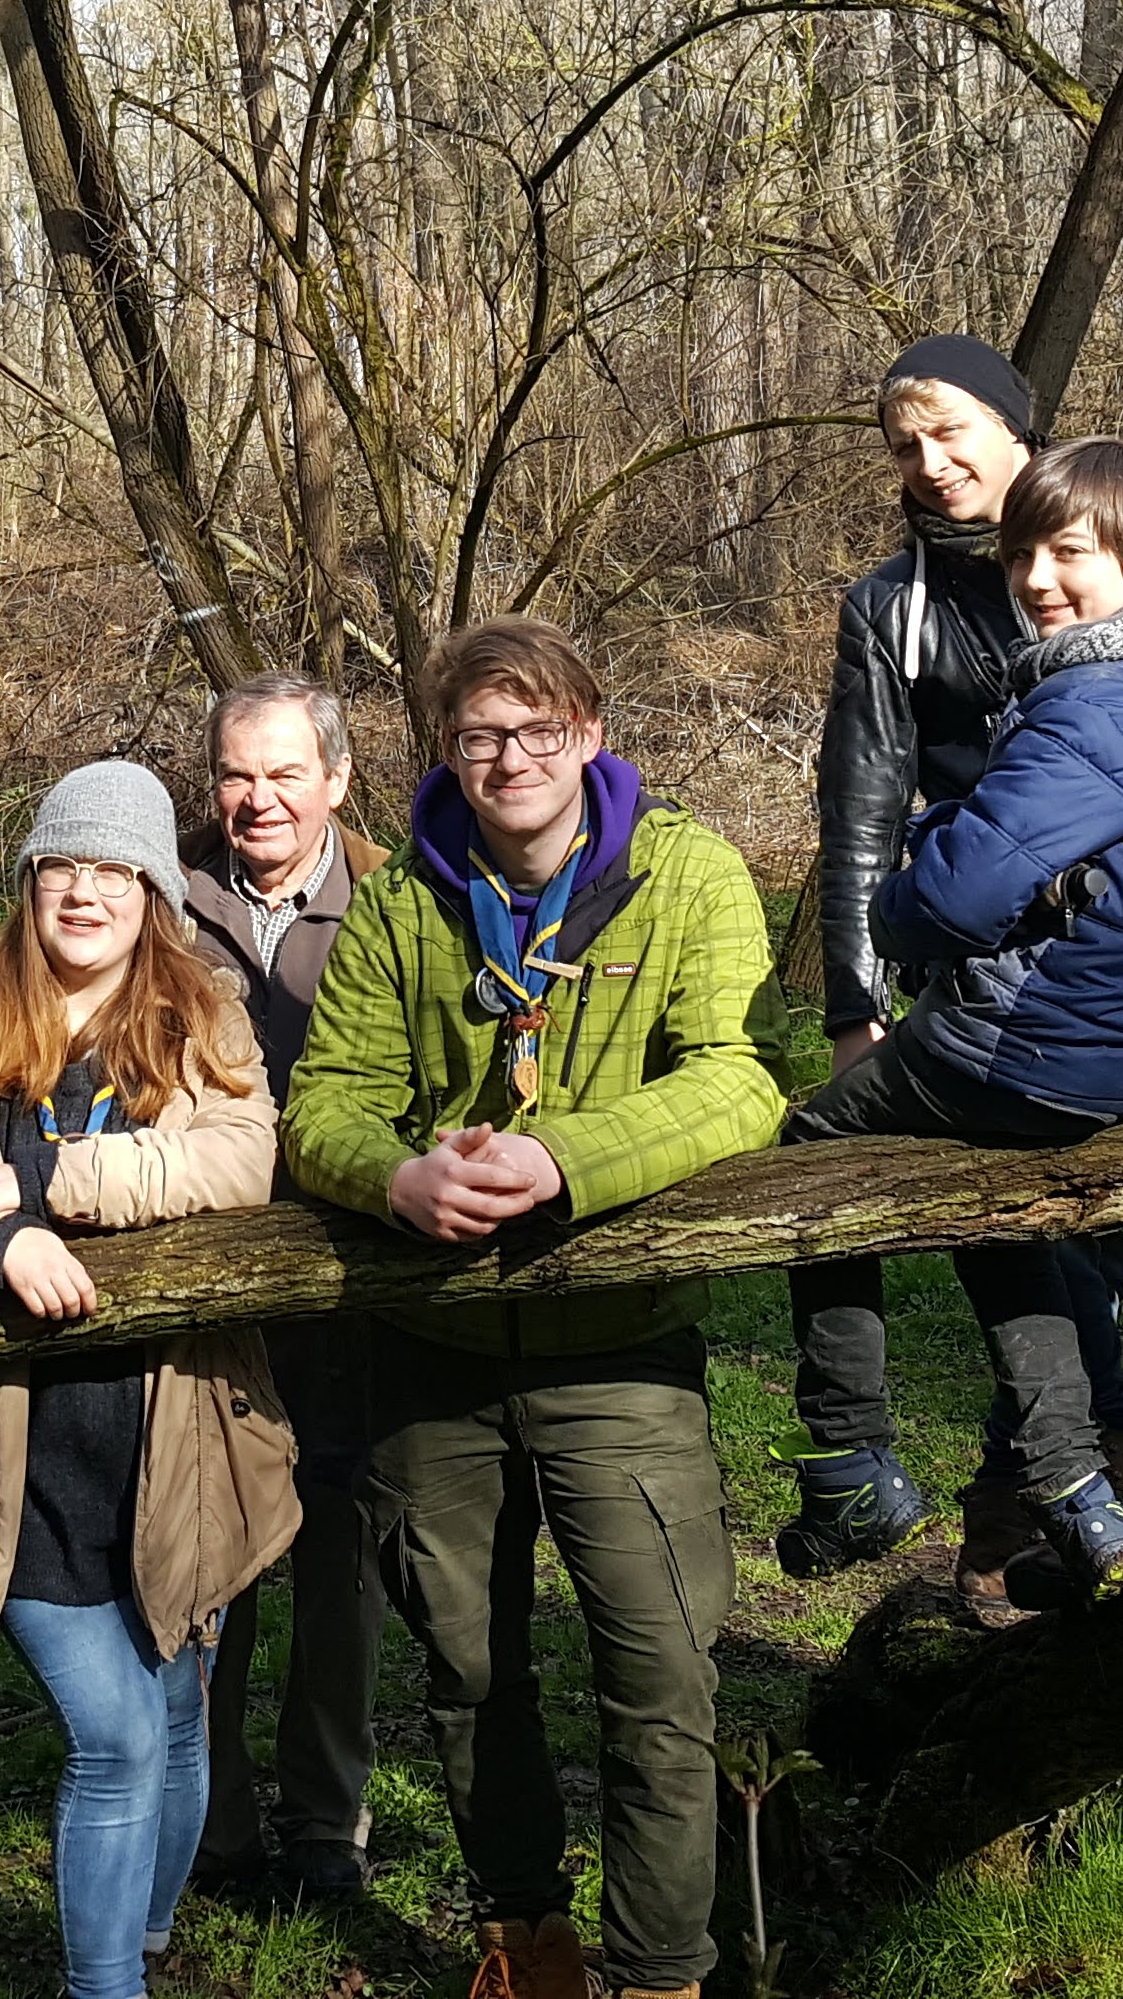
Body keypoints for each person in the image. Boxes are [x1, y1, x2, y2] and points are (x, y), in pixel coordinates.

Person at [287, 618, 783, 1999]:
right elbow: (324, 1098)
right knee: (468, 1673)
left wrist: (570, 1159)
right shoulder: (402, 901)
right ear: (448, 752)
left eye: (539, 730)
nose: (510, 759)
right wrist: (394, 1176)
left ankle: (663, 1970)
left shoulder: (682, 875)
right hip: (432, 1354)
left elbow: (742, 1078)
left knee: (659, 1680)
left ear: (592, 734)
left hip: (619, 1349)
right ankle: (524, 1944)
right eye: (480, 736)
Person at [815, 335, 1123, 1581]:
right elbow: (861, 802)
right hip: (983, 957)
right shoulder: (891, 605)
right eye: (904, 447)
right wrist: (856, 993)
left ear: (1014, 434)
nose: (929, 464)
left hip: (1097, 958)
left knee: (1074, 1232)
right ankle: (1037, 1521)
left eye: (951, 434)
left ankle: (1077, 1499)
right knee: (1002, 1201)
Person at [0, 763, 297, 1999]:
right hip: (8, 1459)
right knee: (115, 1732)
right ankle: (109, 1988)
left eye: (112, 871)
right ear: (29, 881)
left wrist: (49, 1189)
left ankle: (144, 1933)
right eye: (60, 866)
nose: (82, 892)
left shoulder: (205, 1024)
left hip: (174, 1438)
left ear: (152, 893)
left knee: (182, 1715)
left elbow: (241, 1164)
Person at [170, 674, 402, 1905]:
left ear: (334, 780)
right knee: (208, 1548)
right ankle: (209, 1820)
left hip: (348, 1279)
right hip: (200, 1284)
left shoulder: (393, 897)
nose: (255, 799)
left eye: (281, 775)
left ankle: (326, 1823)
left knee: (338, 1547)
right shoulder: (162, 893)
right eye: (234, 775)